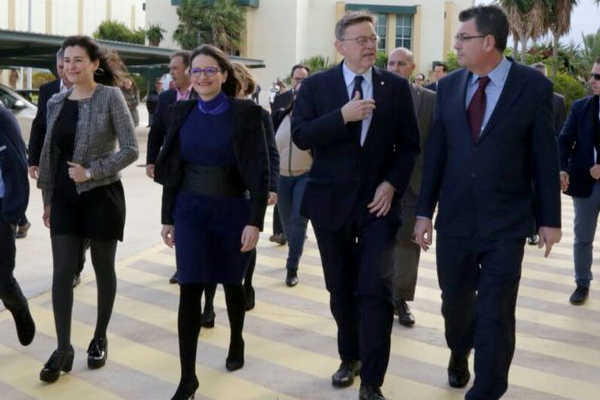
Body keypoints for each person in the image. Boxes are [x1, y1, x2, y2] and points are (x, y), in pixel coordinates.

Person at [413, 6, 561, 400]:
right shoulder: (448, 87)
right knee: (455, 307)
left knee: (497, 311)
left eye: (464, 38)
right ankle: (459, 349)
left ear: (489, 42)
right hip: (455, 222)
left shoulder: (533, 87)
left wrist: (550, 218)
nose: (456, 45)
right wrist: (424, 212)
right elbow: (436, 154)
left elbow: (545, 156)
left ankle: (488, 389)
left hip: (506, 224)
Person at [292, 11, 420, 400]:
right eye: (361, 40)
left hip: (378, 207)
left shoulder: (395, 87)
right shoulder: (316, 86)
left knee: (376, 289)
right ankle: (350, 357)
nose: (370, 46)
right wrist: (342, 117)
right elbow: (301, 135)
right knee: (340, 289)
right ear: (340, 46)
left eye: (373, 39)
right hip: (330, 205)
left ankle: (372, 381)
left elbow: (409, 146)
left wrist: (392, 184)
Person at [154, 44, 269, 400]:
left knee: (233, 284)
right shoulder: (181, 111)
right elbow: (173, 169)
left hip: (233, 210)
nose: (202, 77)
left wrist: (255, 221)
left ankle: (236, 340)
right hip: (190, 211)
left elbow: (260, 171)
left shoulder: (246, 113)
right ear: (189, 75)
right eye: (197, 70)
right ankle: (187, 377)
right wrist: (168, 218)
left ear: (223, 74)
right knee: (189, 289)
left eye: (210, 70)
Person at [37, 35, 138, 383]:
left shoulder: (110, 96)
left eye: (78, 60)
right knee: (62, 272)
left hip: (102, 195)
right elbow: (50, 154)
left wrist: (92, 171)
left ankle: (99, 337)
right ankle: (63, 347)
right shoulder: (56, 101)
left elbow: (130, 149)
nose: (71, 66)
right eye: (66, 60)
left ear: (95, 64)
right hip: (65, 198)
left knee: (103, 267)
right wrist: (48, 200)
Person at [200, 62, 279, 327]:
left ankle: (247, 284)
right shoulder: (209, 111)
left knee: (245, 243)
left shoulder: (258, 114)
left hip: (245, 192)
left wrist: (271, 187)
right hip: (213, 192)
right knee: (211, 250)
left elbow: (271, 153)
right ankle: (208, 305)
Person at [386, 47, 436, 327]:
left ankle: (400, 299)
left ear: (412, 68)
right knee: (379, 242)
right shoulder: (373, 95)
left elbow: (435, 145)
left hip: (414, 185)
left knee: (407, 244)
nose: (395, 68)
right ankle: (379, 295)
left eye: (401, 64)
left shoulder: (430, 100)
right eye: (391, 63)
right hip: (379, 185)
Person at [28, 48, 85, 288]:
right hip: (51, 164)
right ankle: (64, 269)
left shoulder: (88, 91)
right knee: (56, 219)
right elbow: (39, 125)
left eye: (70, 65)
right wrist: (33, 159)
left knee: (79, 226)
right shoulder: (48, 90)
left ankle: (76, 265)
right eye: (61, 67)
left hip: (78, 165)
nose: (65, 72)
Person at [145, 51, 195, 284]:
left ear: (188, 69)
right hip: (173, 167)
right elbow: (156, 132)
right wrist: (151, 160)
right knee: (173, 216)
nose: (171, 72)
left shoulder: (201, 94)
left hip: (197, 167)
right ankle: (181, 266)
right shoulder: (166, 98)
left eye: (175, 68)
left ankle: (195, 264)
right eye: (171, 68)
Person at [558, 58, 600, 306]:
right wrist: (563, 168)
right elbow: (564, 139)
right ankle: (582, 283)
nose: (593, 81)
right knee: (583, 236)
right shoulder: (580, 107)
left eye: (598, 77)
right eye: (593, 76)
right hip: (585, 184)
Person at [273, 64, 312, 287]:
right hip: (281, 178)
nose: (300, 84)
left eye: (304, 80)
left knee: (298, 220)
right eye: (297, 79)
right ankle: (295, 243)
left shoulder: (314, 115)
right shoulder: (280, 114)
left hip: (305, 176)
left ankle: (292, 267)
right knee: (288, 223)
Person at [0, 103, 36, 347]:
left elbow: (17, 167)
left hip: (2, 209)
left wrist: (12, 215)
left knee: (2, 279)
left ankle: (18, 307)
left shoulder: (4, 119)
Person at [527, 62, 568, 245]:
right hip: (524, 156)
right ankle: (530, 229)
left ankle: (536, 227)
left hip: (547, 157)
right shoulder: (521, 97)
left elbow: (561, 132)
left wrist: (559, 164)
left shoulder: (558, 101)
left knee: (541, 193)